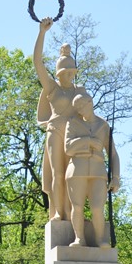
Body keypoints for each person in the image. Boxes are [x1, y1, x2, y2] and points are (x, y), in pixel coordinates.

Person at [33, 16, 88, 222]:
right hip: (55, 131)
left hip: (74, 135)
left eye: (72, 72)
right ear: (59, 73)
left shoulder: (79, 90)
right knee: (57, 173)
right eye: (66, 72)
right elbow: (37, 62)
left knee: (74, 175)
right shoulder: (52, 88)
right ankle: (58, 212)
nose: (69, 75)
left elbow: (89, 113)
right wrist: (42, 33)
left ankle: (75, 213)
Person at [63, 93, 120, 247]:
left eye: (82, 106)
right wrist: (88, 141)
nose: (80, 110)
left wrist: (116, 177)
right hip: (77, 170)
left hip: (98, 171)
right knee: (77, 206)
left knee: (97, 208)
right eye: (77, 108)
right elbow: (68, 148)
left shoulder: (103, 125)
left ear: (90, 103)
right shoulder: (72, 123)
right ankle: (79, 238)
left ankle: (100, 239)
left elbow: (113, 154)